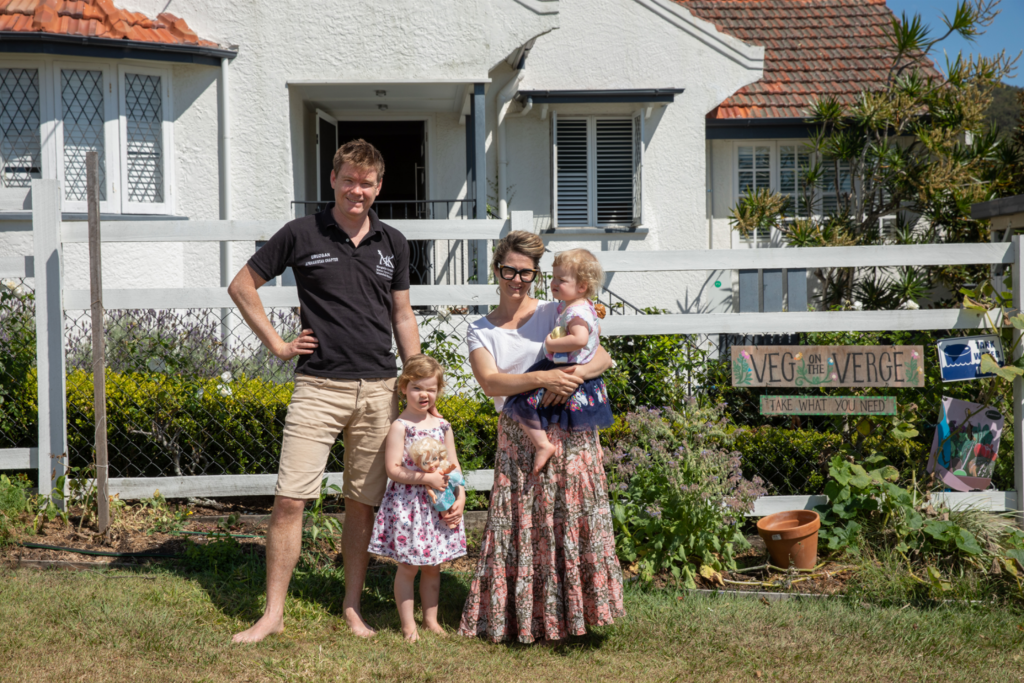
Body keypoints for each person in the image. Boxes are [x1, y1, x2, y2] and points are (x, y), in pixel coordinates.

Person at [227, 139, 460, 643]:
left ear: (379, 187)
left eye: (368, 182)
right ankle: (273, 613)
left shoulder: (393, 241)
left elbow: (402, 314)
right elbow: (242, 285)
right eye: (349, 180)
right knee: (291, 499)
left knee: (362, 502)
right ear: (332, 179)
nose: (358, 190)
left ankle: (352, 607)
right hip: (317, 387)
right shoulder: (301, 233)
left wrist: (418, 382)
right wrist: (277, 344)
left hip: (379, 389)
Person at [457, 231, 625, 643]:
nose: (517, 279)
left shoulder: (559, 309)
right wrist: (541, 377)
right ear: (496, 270)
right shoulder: (481, 330)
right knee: (523, 530)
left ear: (535, 275)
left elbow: (602, 354)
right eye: (509, 270)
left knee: (570, 523)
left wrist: (570, 378)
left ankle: (575, 619)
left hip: (569, 428)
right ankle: (521, 620)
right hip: (520, 437)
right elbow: (492, 384)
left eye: (526, 273)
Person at [367, 354, 467, 641]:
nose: (424, 395)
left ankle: (431, 620)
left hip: (439, 504)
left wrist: (460, 496)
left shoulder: (442, 425)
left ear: (438, 391)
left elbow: (453, 465)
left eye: (431, 389)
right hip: (410, 507)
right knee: (409, 566)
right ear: (404, 388)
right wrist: (426, 478)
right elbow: (393, 469)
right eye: (417, 388)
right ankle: (408, 624)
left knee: (433, 566)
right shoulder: (401, 426)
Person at [502, 248, 614, 473]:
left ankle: (543, 445)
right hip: (578, 370)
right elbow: (596, 330)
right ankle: (596, 446)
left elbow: (581, 338)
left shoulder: (574, 312)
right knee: (580, 413)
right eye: (553, 277)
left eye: (561, 280)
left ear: (581, 287)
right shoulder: (578, 306)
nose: (554, 283)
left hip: (565, 366)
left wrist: (551, 344)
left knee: (519, 403)